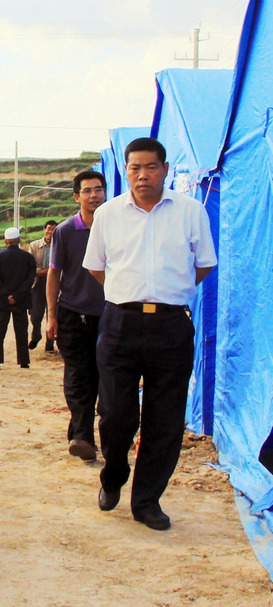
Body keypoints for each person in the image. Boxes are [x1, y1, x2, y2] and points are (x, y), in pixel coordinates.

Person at [83, 137, 216, 531]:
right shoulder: (108, 214)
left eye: (151, 167)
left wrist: (170, 293)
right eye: (135, 168)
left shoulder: (190, 211)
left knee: (165, 418)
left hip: (171, 326)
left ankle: (147, 501)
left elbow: (204, 264)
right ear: (126, 171)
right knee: (115, 413)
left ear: (165, 170)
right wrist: (129, 294)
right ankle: (113, 474)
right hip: (119, 324)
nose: (143, 175)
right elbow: (96, 267)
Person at [45, 171, 107, 463]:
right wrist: (52, 316)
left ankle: (97, 435)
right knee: (78, 376)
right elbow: (54, 274)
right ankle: (83, 437)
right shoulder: (66, 231)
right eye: (87, 191)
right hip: (73, 316)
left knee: (105, 378)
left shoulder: (116, 227)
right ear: (76, 197)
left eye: (99, 189)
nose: (94, 195)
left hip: (110, 316)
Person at [0, 228, 36, 370]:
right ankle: (23, 361)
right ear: (19, 240)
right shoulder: (28, 258)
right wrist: (17, 296)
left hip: (2, 301)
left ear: (6, 241)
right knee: (21, 331)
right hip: (21, 301)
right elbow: (29, 280)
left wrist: (6, 295)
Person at [29, 220, 58, 353]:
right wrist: (46, 272)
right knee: (35, 314)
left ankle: (49, 345)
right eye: (49, 229)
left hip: (55, 284)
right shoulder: (34, 246)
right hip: (38, 284)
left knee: (52, 314)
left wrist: (48, 272)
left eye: (54, 229)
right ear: (44, 229)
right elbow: (30, 267)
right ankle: (36, 335)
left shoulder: (60, 245)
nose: (51, 232)